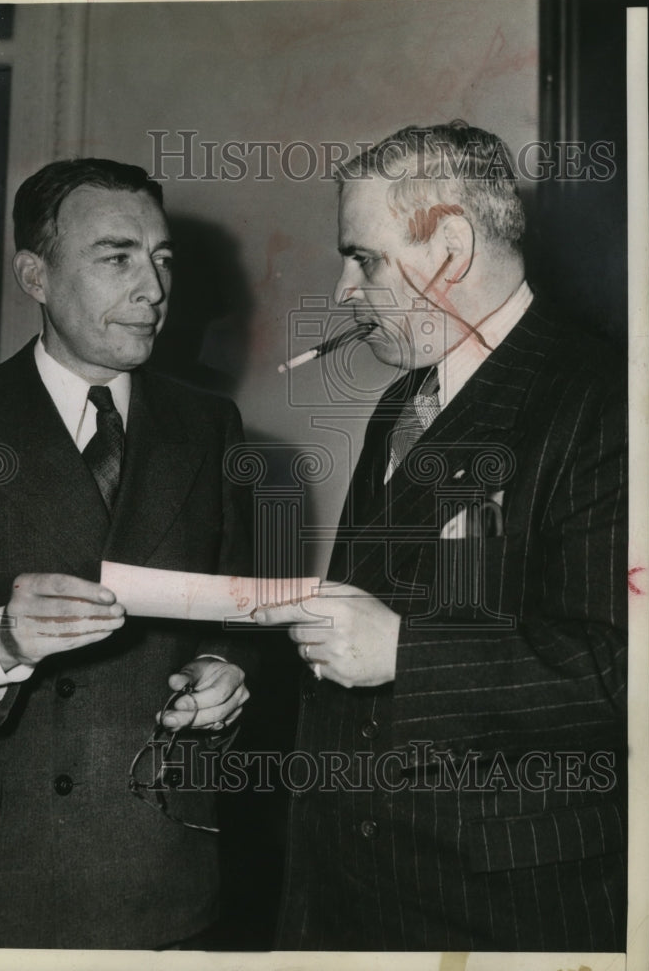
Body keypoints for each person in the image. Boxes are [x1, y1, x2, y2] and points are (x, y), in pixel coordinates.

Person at [255, 121, 627, 951]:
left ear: (451, 247)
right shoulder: (403, 401)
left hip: (504, 911)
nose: (344, 289)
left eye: (364, 258)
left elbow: (626, 672)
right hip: (357, 893)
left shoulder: (606, 401)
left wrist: (404, 654)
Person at [0, 159, 252, 949]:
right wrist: (2, 641)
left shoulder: (210, 427)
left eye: (162, 260)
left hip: (160, 876)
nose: (153, 289)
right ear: (35, 275)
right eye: (117, 257)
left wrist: (229, 674)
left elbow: (237, 612)